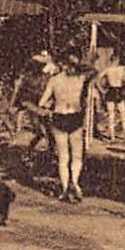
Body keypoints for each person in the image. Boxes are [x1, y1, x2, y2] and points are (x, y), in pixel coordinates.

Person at [39, 51, 92, 202]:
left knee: (63, 157)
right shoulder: (79, 79)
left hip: (59, 116)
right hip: (75, 116)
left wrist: (49, 107)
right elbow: (93, 71)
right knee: (77, 155)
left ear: (60, 65)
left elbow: (42, 102)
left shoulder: (54, 80)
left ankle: (63, 189)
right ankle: (75, 182)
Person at [95, 55, 125, 143]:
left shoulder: (108, 70)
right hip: (117, 91)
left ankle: (114, 137)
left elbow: (97, 80)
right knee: (122, 115)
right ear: (117, 60)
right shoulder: (121, 70)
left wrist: (102, 90)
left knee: (112, 115)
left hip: (112, 91)